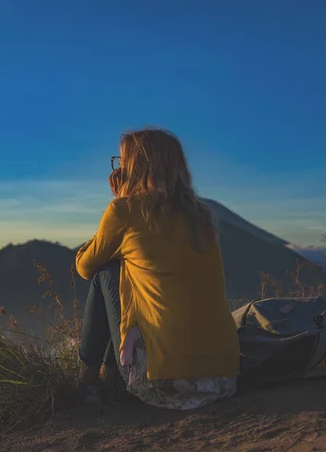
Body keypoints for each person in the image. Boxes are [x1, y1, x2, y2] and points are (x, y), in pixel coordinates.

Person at [75, 128, 240, 410]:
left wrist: (118, 202)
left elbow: (84, 265)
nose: (119, 168)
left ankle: (86, 381)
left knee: (106, 271)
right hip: (223, 380)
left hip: (164, 385)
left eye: (122, 161)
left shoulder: (124, 211)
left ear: (135, 167)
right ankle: (108, 376)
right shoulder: (202, 216)